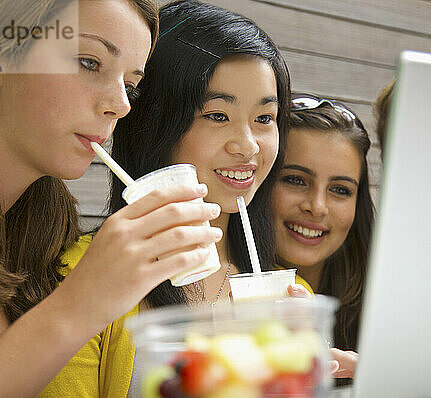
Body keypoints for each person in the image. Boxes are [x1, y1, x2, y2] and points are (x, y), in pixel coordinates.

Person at [0, 0, 222, 396]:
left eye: (131, 85)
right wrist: (80, 305)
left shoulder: (45, 236)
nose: (119, 105)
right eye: (89, 62)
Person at [52, 1, 313, 396]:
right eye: (217, 116)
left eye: (264, 119)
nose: (248, 147)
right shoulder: (80, 277)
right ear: (157, 123)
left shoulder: (292, 300)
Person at [271, 94, 375, 381]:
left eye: (340, 189)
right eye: (295, 179)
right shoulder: (224, 297)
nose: (316, 207)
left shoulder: (384, 304)